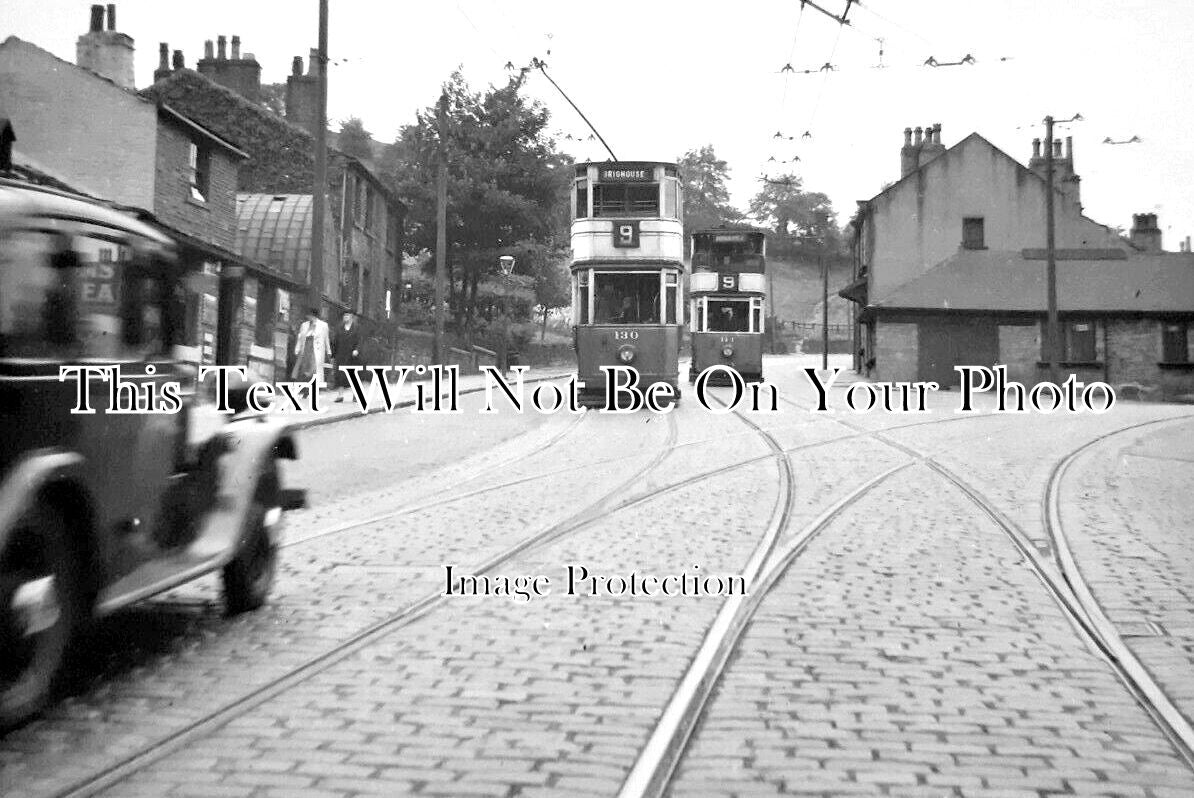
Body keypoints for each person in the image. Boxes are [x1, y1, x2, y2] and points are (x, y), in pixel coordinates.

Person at [292, 306, 332, 394]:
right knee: (304, 369)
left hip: (316, 351)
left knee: (313, 370)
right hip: (306, 350)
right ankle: (306, 389)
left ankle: (311, 389)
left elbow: (326, 339)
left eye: (310, 315)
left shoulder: (323, 325)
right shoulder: (304, 325)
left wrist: (329, 351)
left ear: (314, 316)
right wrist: (297, 348)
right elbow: (300, 338)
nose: (308, 317)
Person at [332, 312, 363, 402]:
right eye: (344, 316)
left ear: (351, 317)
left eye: (347, 316)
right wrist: (333, 354)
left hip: (352, 356)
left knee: (353, 375)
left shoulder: (357, 327)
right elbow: (335, 341)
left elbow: (360, 340)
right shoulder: (339, 328)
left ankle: (355, 395)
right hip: (341, 355)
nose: (345, 317)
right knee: (340, 376)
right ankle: (340, 396)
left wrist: (357, 349)